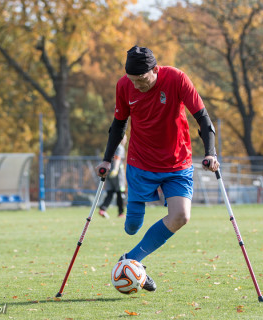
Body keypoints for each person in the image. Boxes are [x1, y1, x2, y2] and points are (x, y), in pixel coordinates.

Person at [95, 46, 220, 292]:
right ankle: (134, 260)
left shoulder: (176, 78)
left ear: (155, 70)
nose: (137, 85)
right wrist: (107, 160)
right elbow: (119, 124)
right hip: (140, 163)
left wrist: (211, 153)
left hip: (177, 162)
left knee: (181, 216)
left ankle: (131, 262)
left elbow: (203, 117)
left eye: (141, 80)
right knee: (131, 227)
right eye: (133, 80)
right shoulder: (124, 86)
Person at [98, 134, 128, 219]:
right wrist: (115, 169)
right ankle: (121, 213)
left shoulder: (111, 146)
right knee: (120, 193)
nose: (125, 141)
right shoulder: (120, 148)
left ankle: (103, 209)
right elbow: (117, 159)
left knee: (110, 192)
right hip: (117, 174)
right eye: (125, 139)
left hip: (108, 172)